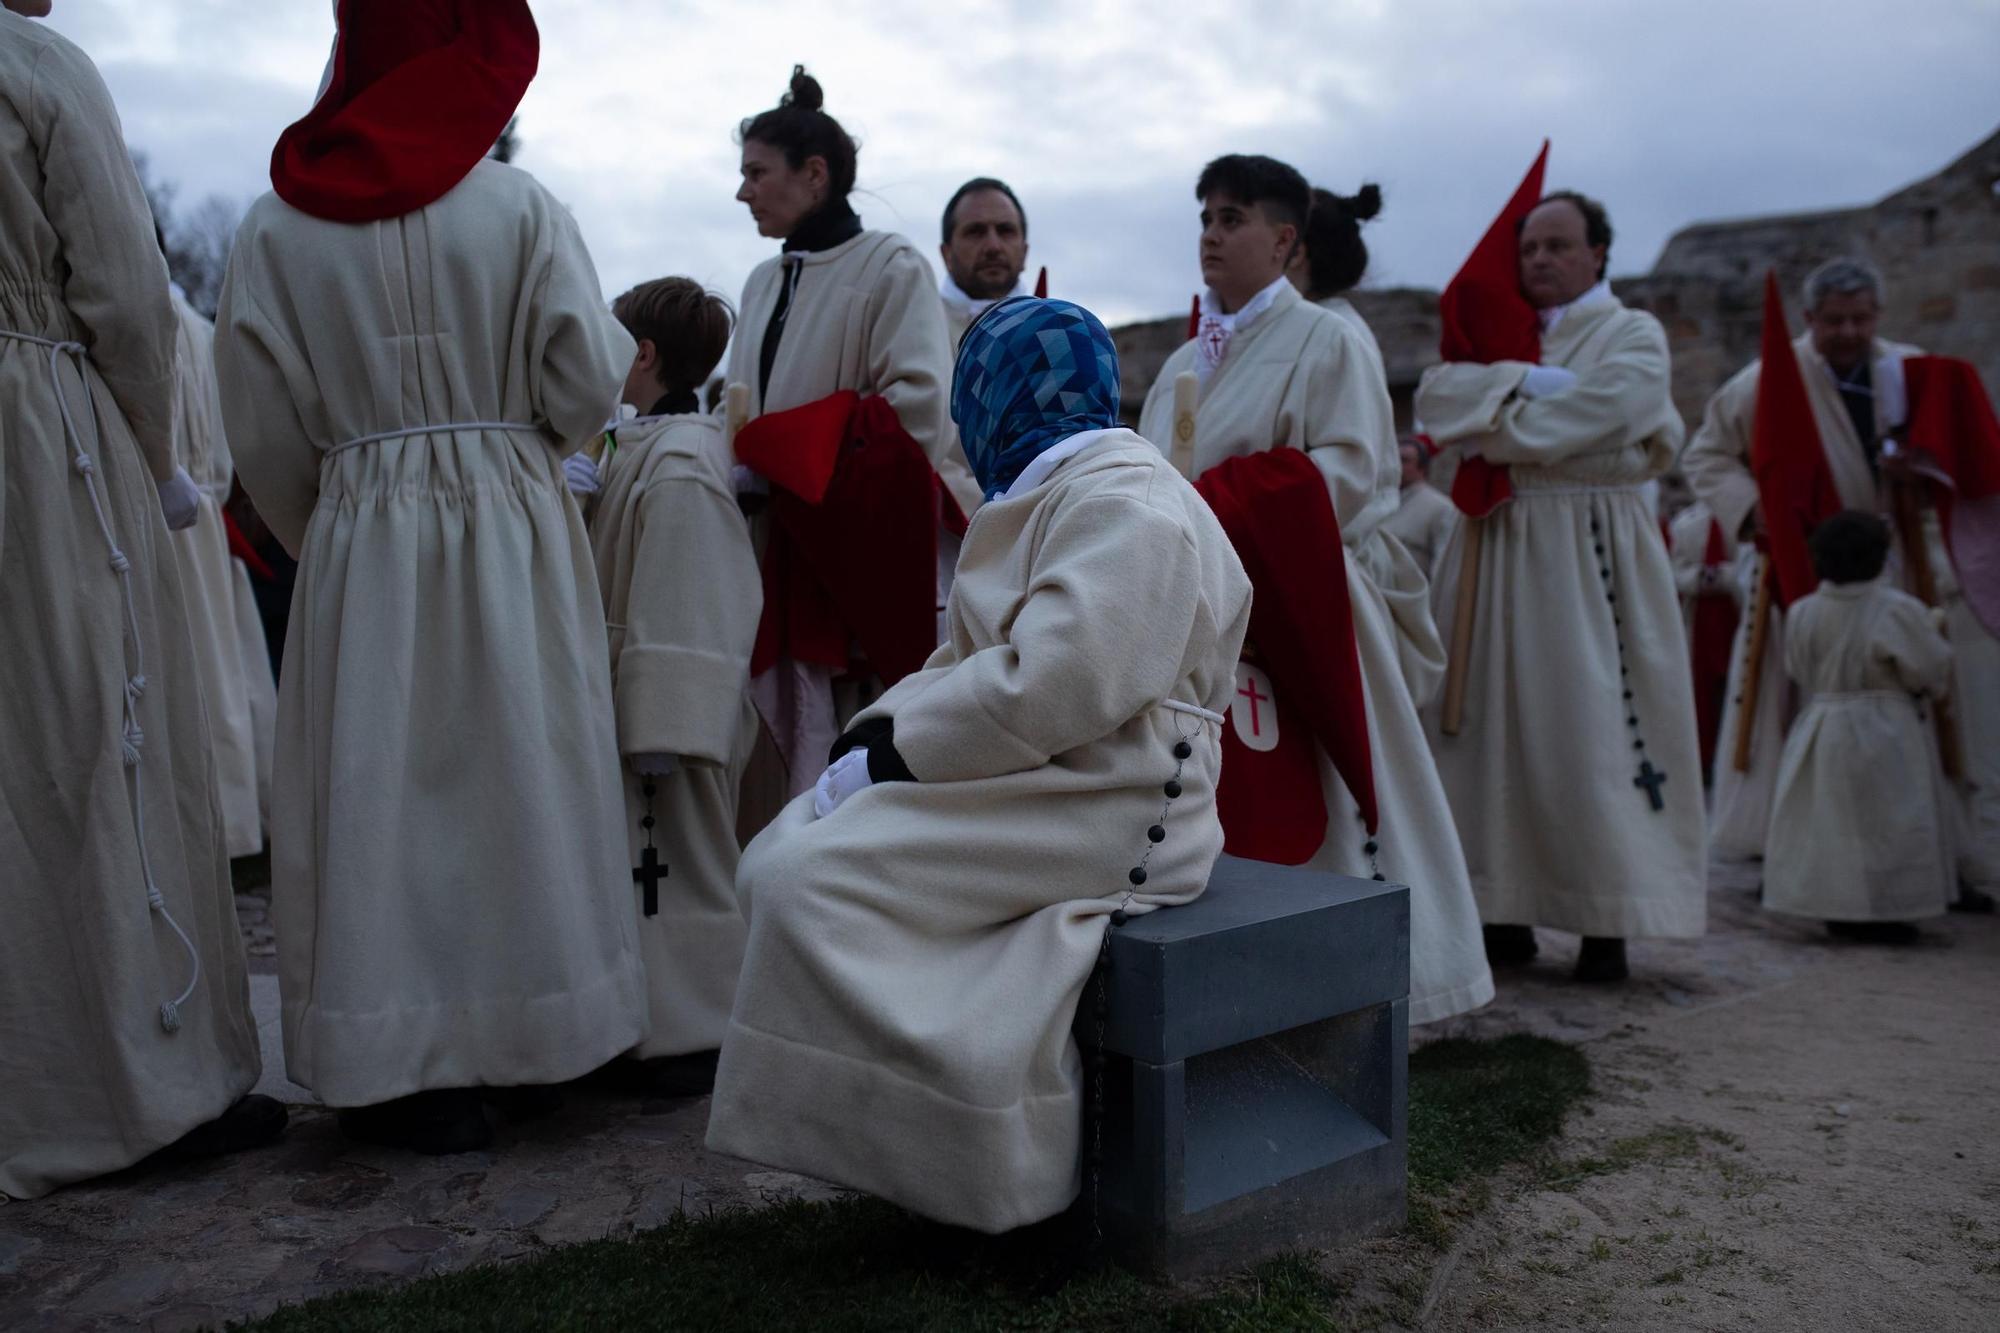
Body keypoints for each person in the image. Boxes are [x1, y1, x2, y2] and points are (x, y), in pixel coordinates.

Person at [707, 297, 1252, 1233]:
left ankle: (978, 1148)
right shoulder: (1064, 489)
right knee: (784, 851)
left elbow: (1058, 680)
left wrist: (893, 758)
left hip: (1117, 792)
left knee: (812, 879)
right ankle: (901, 1140)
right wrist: (871, 743)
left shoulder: (1129, 500)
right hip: (1048, 769)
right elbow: (964, 661)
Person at [214, 0, 646, 1153]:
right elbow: (587, 382)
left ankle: (400, 1060)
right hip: (507, 517)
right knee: (522, 772)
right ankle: (539, 1039)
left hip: (360, 525)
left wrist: (340, 522)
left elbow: (256, 430)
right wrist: (509, 446)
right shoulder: (520, 209)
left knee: (380, 788)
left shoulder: (273, 229)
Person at [1, 0, 279, 1200]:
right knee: (86, 753)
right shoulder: (40, 66)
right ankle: (132, 1092)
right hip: (36, 435)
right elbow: (119, 281)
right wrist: (156, 456)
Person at [1138, 157, 1491, 1025]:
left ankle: (1362, 988)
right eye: (1207, 219)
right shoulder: (1185, 357)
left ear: (1284, 238)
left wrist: (1216, 500)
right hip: (1199, 608)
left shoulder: (1328, 338)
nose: (1212, 235)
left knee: (1331, 795)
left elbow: (1353, 470)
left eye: (1233, 218)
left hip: (1301, 603)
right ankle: (1224, 979)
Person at [1417, 189, 1705, 983]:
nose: (1540, 259)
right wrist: (1522, 383)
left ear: (1598, 253)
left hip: (1589, 547)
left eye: (1558, 245)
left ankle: (1604, 915)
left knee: (1589, 724)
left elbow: (1621, 407)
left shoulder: (1632, 332)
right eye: (1531, 247)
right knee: (1491, 724)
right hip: (1497, 542)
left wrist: (1499, 419)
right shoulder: (1499, 331)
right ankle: (1500, 905)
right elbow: (1438, 396)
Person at [1683, 258, 2000, 898]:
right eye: (1835, 321)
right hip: (1807, 564)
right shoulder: (1764, 382)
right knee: (1797, 702)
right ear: (1809, 319)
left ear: (1877, 316)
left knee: (1932, 699)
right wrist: (1760, 514)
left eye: (1860, 319)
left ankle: (1937, 850)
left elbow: (1959, 448)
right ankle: (1800, 843)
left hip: (1899, 560)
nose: (1849, 332)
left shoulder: (1910, 371)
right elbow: (1707, 456)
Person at [726, 66, 973, 829]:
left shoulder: (890, 266)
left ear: (815, 175)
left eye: (756, 174)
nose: (744, 193)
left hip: (845, 555)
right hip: (767, 548)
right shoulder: (763, 281)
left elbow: (915, 413)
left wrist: (784, 455)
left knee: (848, 757)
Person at [578, 278, 760, 1095]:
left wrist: (663, 720)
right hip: (623, 696)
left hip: (664, 713)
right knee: (638, 872)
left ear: (642, 354)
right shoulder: (634, 445)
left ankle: (697, 1033)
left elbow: (687, 590)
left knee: (675, 866)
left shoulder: (683, 456)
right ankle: (648, 1024)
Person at [1764, 511, 1955, 939]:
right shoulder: (1898, 609)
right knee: (1886, 821)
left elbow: (1796, 667)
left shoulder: (1802, 611)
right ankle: (1886, 910)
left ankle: (1839, 904)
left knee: (1834, 823)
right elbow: (1928, 667)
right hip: (1884, 727)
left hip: (1822, 722)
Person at [166, 280, 274, 859]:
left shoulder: (154, 322)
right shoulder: (203, 334)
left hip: (166, 510)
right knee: (230, 678)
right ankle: (241, 815)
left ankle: (213, 824)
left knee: (196, 677)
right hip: (207, 511)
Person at [938, 176, 1031, 347]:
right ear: (946, 254)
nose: (993, 247)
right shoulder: (911, 327)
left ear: (1024, 251)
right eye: (975, 232)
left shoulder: (1060, 334)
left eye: (1005, 231)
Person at [1382, 435, 1459, 580]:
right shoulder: (1381, 501)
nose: (1397, 465)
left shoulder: (1441, 507)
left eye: (1405, 460)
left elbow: (1441, 564)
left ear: (1422, 468)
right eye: (1395, 459)